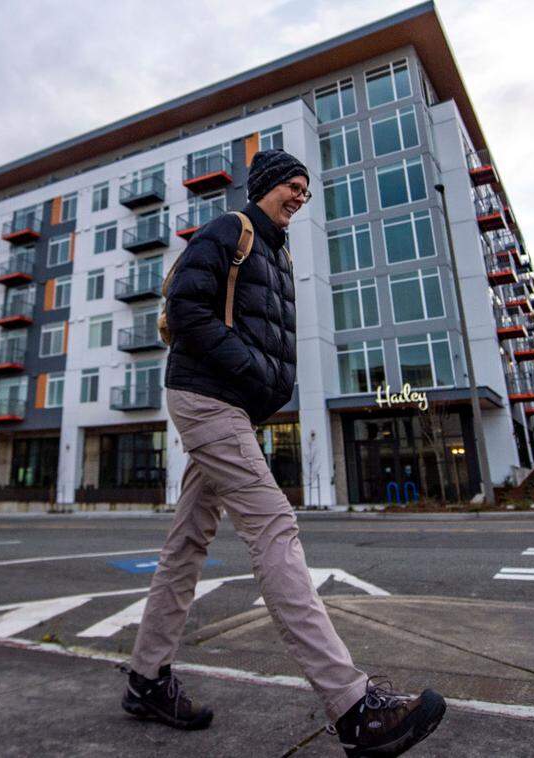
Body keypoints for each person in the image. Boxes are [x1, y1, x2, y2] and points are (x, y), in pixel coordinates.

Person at [120, 149, 446, 756]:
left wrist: (262, 386)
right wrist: (247, 369)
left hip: (229, 405)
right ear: (266, 186)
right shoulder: (230, 231)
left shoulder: (277, 251)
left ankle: (146, 678)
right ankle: (353, 707)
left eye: (306, 190)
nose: (300, 196)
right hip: (207, 398)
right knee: (273, 526)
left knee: (187, 542)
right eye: (292, 186)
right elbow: (186, 309)